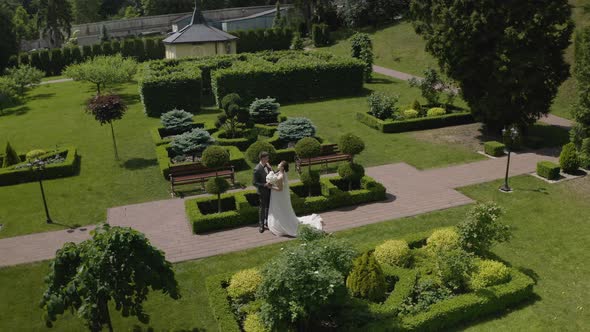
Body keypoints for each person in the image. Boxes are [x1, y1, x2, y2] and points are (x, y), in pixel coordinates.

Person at [267, 161, 323, 237]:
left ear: (282, 167)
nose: (278, 164)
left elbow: (279, 189)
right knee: (281, 209)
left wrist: (270, 187)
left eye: (279, 164)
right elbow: (274, 173)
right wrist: (269, 166)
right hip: (279, 196)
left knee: (280, 209)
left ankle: (281, 225)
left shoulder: (280, 176)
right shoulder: (280, 173)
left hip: (279, 195)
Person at [253, 151, 273, 233]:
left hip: (270, 191)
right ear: (262, 158)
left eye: (268, 158)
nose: (268, 159)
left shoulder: (268, 166)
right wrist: (264, 185)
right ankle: (261, 224)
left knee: (269, 206)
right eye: (266, 158)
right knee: (262, 208)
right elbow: (254, 183)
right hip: (262, 191)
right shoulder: (257, 169)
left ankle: (268, 222)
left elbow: (272, 175)